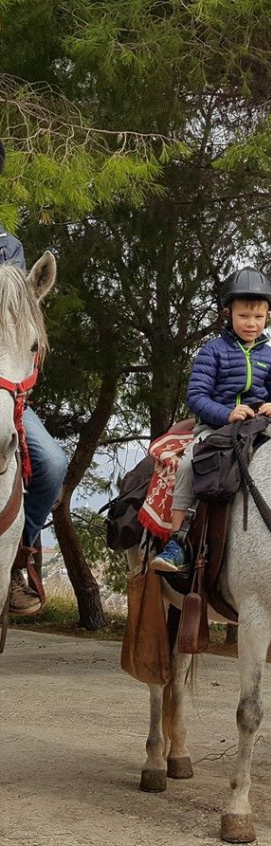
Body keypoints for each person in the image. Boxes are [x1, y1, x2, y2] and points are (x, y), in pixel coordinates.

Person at [151, 267, 271, 573]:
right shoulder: (212, 351)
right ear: (228, 313)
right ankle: (177, 542)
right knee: (188, 466)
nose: (251, 323)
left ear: (268, 316)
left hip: (259, 429)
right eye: (244, 316)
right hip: (216, 429)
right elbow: (196, 396)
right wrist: (226, 413)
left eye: (258, 317)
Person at [0, 140, 70, 616]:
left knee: (51, 464)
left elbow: (15, 319)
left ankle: (19, 559)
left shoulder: (8, 246)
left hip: (1, 385)